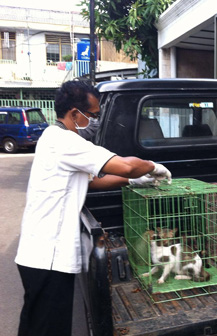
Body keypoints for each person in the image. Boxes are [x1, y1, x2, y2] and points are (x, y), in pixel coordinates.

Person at [14, 80, 172, 336]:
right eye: (94, 116)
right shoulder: (66, 142)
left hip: (37, 252)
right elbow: (126, 165)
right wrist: (152, 166)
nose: (96, 122)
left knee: (35, 323)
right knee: (48, 328)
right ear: (75, 114)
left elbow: (93, 181)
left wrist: (133, 180)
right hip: (48, 255)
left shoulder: (52, 137)